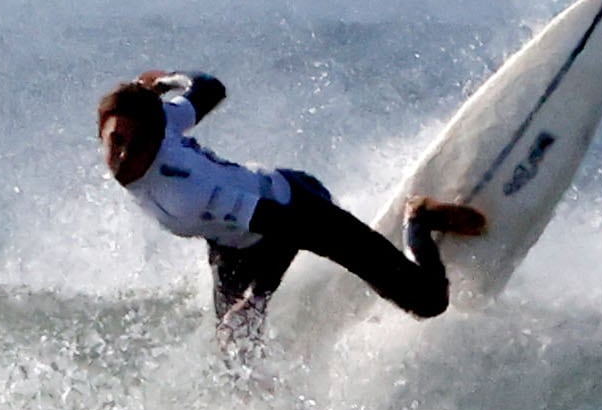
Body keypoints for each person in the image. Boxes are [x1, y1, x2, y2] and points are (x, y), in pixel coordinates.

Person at [97, 70, 486, 344]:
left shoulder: (187, 197)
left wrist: (258, 297)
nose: (123, 156)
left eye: (137, 144)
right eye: (115, 141)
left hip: (295, 204)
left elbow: (289, 231)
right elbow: (208, 87)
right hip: (232, 239)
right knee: (235, 352)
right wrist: (163, 84)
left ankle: (420, 217)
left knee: (428, 302)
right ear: (101, 131)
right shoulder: (160, 120)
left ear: (157, 137)